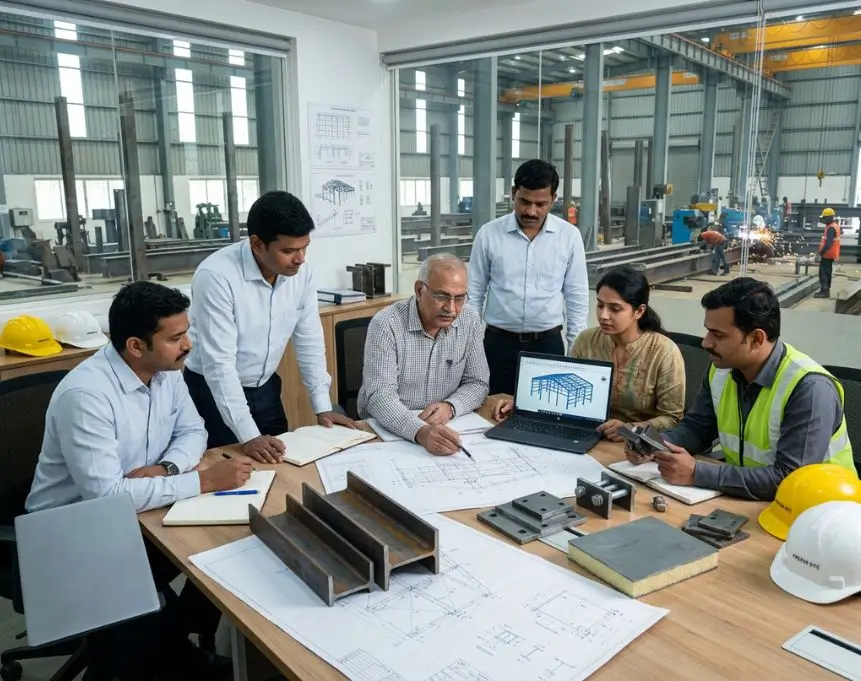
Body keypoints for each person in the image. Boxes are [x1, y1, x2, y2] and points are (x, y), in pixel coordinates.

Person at [27, 281, 247, 680]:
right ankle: (159, 654)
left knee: (230, 549)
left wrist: (168, 469)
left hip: (141, 511)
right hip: (71, 531)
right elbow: (107, 496)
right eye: (176, 337)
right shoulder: (87, 394)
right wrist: (203, 482)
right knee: (145, 620)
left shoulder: (165, 371)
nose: (188, 345)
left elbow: (194, 432)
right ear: (135, 345)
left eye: (186, 333)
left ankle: (171, 646)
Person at [626, 277, 855, 501]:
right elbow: (697, 428)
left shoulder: (809, 389)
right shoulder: (722, 369)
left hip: (820, 511)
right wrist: (656, 444)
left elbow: (789, 479)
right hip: (750, 500)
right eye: (708, 331)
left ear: (756, 338)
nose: (705, 342)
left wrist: (697, 473)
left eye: (718, 334)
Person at [184, 190, 354, 463]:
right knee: (227, 472)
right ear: (256, 243)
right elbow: (219, 365)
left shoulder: (301, 273)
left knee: (281, 465)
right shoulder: (216, 276)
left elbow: (309, 339)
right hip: (212, 393)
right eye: (288, 250)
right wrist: (249, 434)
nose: (300, 259)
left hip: (265, 389)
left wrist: (322, 405)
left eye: (304, 247)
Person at [490, 266, 685, 440]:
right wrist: (522, 402)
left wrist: (631, 428)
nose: (603, 315)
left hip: (634, 446)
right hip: (587, 434)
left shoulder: (663, 352)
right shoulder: (588, 340)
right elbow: (565, 388)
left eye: (615, 309)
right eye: (600, 305)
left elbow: (672, 418)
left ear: (639, 311)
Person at [468, 159, 589, 394]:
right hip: (497, 346)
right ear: (513, 193)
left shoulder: (569, 237)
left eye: (540, 204)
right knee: (490, 415)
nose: (531, 211)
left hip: (548, 346)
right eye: (524, 202)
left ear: (553, 199)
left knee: (545, 417)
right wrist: (470, 344)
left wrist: (575, 349)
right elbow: (474, 293)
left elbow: (577, 296)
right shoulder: (489, 234)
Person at [358, 254, 489, 456]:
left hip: (448, 427)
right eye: (442, 296)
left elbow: (478, 383)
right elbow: (379, 396)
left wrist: (450, 407)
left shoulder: (469, 320)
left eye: (460, 298)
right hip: (386, 434)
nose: (451, 308)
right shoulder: (386, 324)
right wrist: (421, 431)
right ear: (419, 290)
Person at [814, 207, 840, 299]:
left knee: (823, 273)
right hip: (830, 254)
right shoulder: (833, 226)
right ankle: (825, 291)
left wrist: (820, 253)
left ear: (829, 217)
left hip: (827, 254)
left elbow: (828, 244)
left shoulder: (831, 228)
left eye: (824, 218)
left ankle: (824, 292)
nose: (823, 220)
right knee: (827, 272)